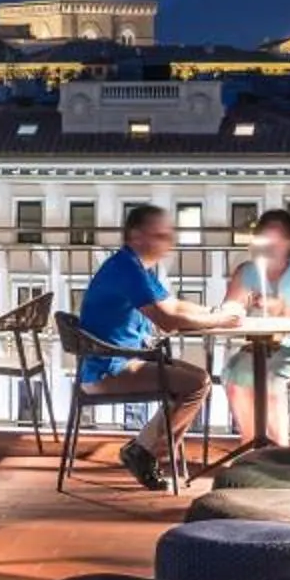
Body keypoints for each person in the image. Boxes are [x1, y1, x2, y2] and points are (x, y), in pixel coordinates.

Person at [76, 204, 238, 487]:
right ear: (137, 236)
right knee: (197, 383)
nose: (169, 242)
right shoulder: (128, 270)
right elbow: (167, 319)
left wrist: (214, 312)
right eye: (161, 235)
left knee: (196, 380)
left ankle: (144, 450)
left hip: (119, 361)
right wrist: (220, 320)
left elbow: (172, 304)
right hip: (109, 370)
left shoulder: (134, 267)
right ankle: (144, 452)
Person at [222, 210, 290, 448]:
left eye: (277, 240)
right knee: (234, 375)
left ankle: (278, 452)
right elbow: (228, 309)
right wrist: (240, 305)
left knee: (270, 378)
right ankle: (250, 446)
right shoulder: (248, 271)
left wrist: (284, 309)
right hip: (260, 348)